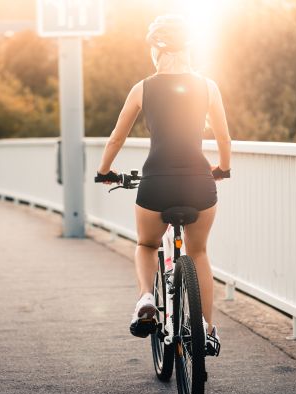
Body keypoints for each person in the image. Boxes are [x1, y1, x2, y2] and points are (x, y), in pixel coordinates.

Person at [95, 14, 231, 354]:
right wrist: (223, 168)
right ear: (189, 48)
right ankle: (205, 328)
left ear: (155, 50)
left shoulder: (143, 87)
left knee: (145, 244)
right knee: (198, 252)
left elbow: (116, 137)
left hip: (156, 181)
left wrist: (104, 171)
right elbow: (224, 137)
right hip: (200, 183)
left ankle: (145, 300)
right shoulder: (207, 86)